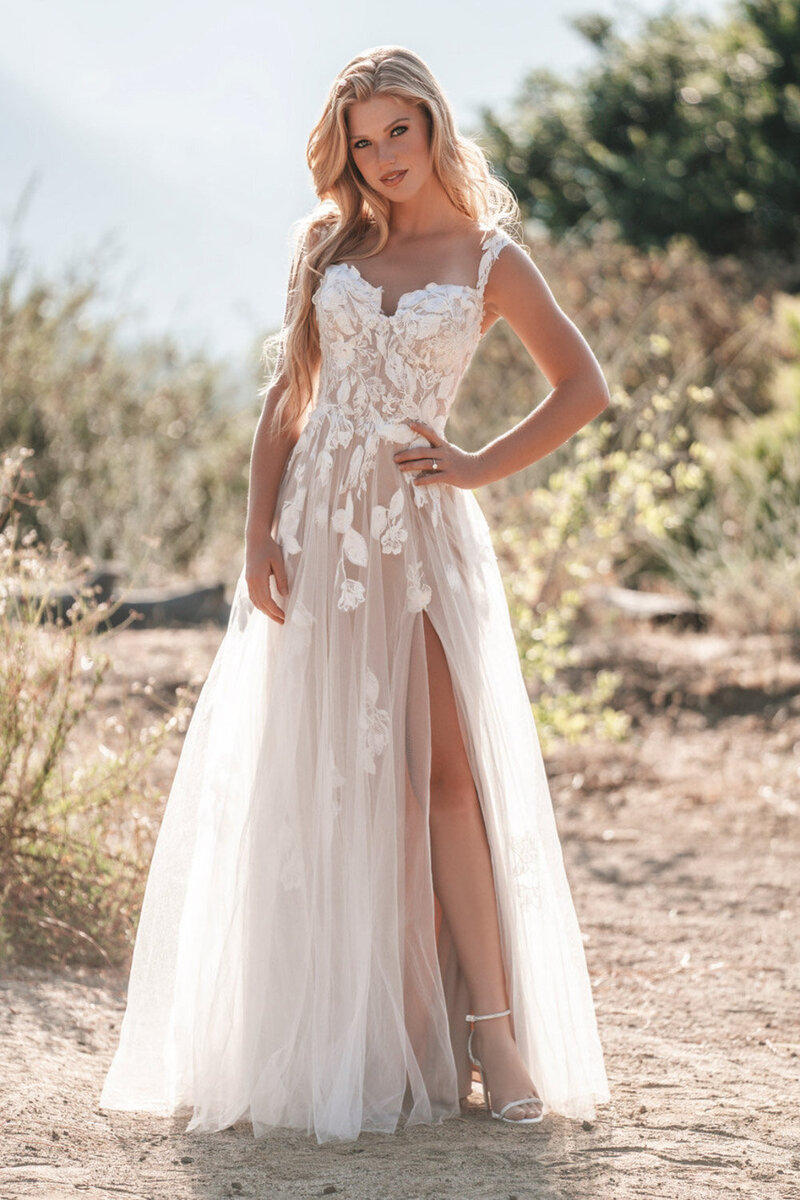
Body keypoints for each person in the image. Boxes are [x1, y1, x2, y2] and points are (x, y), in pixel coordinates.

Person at [99, 44, 611, 1145]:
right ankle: (373, 1038)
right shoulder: (322, 246)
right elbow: (289, 395)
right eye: (362, 139)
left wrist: (473, 464)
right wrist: (254, 539)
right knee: (330, 781)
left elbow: (584, 387)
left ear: (432, 128)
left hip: (419, 531)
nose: (381, 157)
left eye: (398, 132)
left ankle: (498, 1036)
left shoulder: (487, 258)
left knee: (447, 785)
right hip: (316, 534)